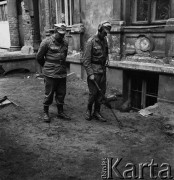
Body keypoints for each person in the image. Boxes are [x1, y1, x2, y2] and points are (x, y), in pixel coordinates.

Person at [36, 23, 70, 122]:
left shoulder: (65, 43)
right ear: (55, 32)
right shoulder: (46, 42)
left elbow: (64, 56)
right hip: (50, 72)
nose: (62, 36)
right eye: (60, 34)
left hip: (62, 72)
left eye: (63, 34)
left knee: (61, 93)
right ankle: (45, 112)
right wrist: (47, 66)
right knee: (49, 93)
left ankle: (60, 112)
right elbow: (39, 57)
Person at [82, 21, 111, 122]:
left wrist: (107, 59)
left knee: (101, 93)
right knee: (93, 93)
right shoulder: (91, 41)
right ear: (99, 30)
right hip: (94, 72)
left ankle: (97, 112)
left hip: (103, 71)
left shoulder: (104, 40)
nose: (105, 34)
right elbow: (85, 60)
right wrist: (90, 74)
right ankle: (88, 110)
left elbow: (106, 53)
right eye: (104, 32)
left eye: (106, 33)